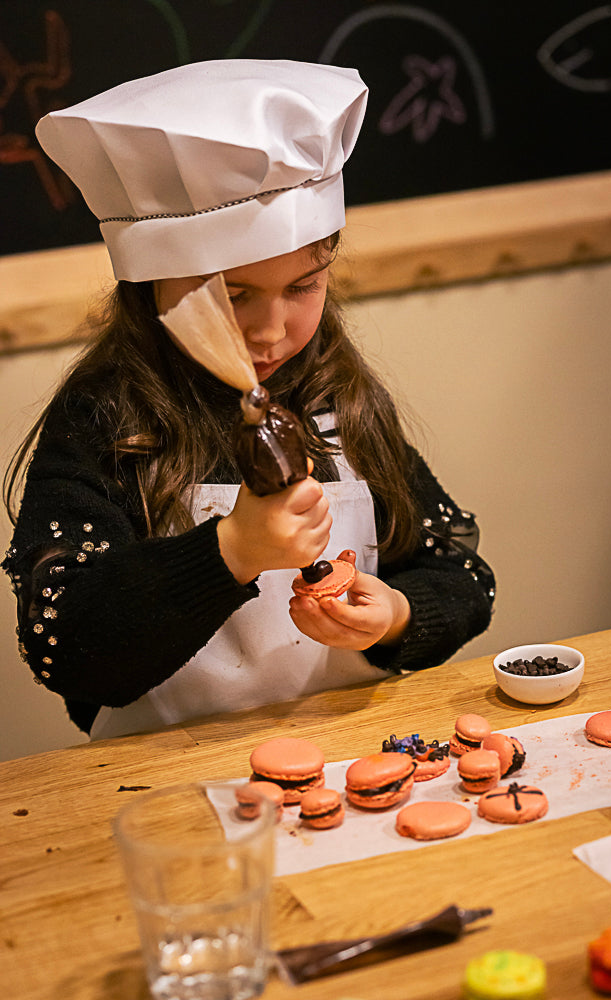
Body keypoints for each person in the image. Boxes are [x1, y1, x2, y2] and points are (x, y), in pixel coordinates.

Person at [2, 60, 495, 740]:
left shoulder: (340, 398)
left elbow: (458, 569)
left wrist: (395, 614)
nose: (270, 331)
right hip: (159, 785)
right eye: (232, 295)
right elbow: (67, 646)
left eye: (304, 287)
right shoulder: (104, 421)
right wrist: (230, 550)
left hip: (347, 754)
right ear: (153, 286)